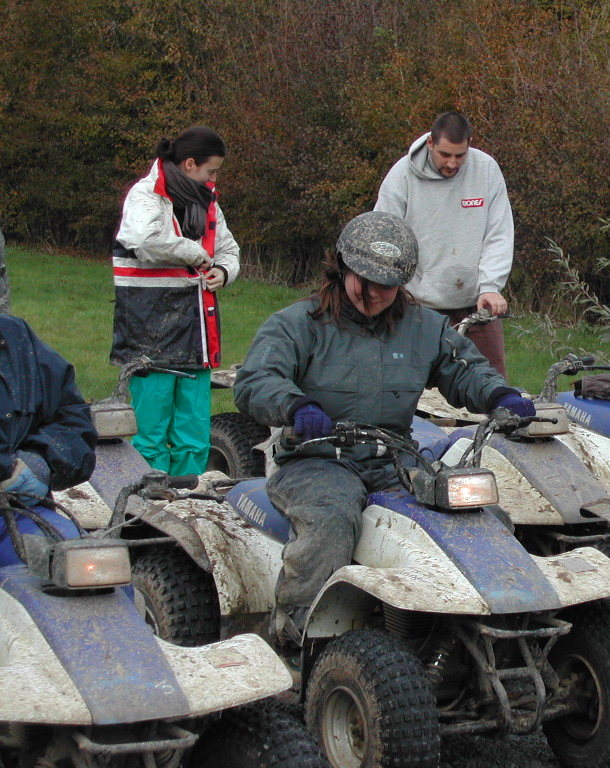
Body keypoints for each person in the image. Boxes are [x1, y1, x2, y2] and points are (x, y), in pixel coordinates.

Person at [233, 211, 534, 648]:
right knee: (331, 518)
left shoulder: (424, 327)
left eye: (387, 285)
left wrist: (499, 396)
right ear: (342, 268)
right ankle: (298, 635)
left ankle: (474, 631)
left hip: (394, 459)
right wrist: (297, 405)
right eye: (365, 281)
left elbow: (465, 369)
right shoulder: (298, 324)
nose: (375, 295)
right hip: (315, 461)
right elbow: (255, 380)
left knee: (478, 515)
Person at [110, 126, 240, 475]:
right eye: (211, 171)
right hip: (147, 335)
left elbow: (228, 249)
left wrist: (224, 271)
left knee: (193, 435)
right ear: (189, 164)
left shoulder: (209, 202)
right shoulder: (146, 196)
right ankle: (148, 506)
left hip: (196, 338)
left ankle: (191, 504)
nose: (213, 178)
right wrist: (196, 253)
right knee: (150, 435)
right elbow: (144, 239)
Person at [374, 111, 514, 377]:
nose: (452, 163)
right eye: (444, 155)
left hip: (475, 304)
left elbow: (499, 233)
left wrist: (491, 287)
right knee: (411, 387)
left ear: (469, 144)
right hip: (416, 303)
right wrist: (389, 289)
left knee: (492, 384)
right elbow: (384, 236)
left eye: (460, 155)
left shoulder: (486, 170)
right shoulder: (402, 176)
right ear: (430, 143)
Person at [0, 314, 97, 564]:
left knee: (89, 570)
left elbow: (71, 417)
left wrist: (39, 464)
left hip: (14, 513)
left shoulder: (14, 336)